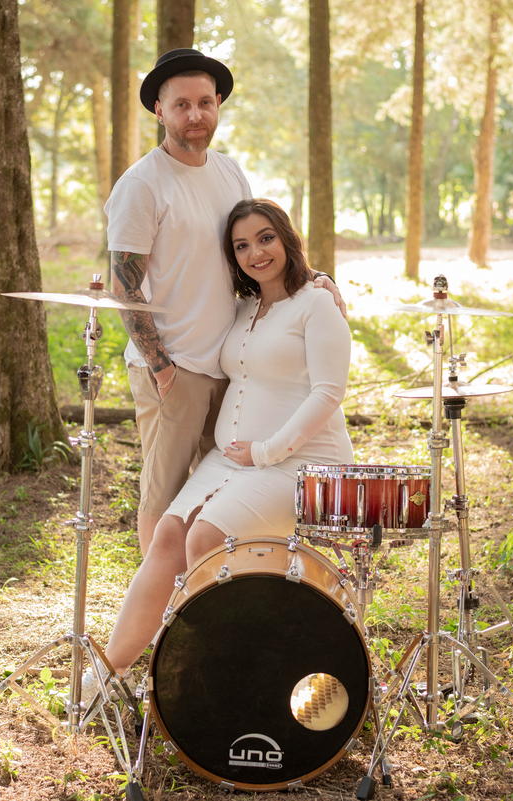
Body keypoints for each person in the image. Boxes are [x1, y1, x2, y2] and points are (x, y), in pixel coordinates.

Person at [105, 48, 344, 565]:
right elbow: (124, 285)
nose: (196, 116)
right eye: (182, 105)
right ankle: (165, 615)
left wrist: (314, 277)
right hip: (176, 367)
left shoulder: (230, 174)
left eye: (205, 103)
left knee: (216, 499)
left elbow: (254, 254)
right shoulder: (142, 185)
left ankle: (216, 597)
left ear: (218, 106)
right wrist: (162, 368)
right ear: (160, 111)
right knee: (164, 497)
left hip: (234, 366)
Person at [103, 199, 353, 673]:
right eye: (241, 245)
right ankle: (108, 671)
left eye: (265, 238)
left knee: (206, 539)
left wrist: (266, 450)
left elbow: (328, 392)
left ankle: (220, 670)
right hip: (233, 457)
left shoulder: (318, 303)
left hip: (300, 463)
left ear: (286, 239)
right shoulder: (243, 309)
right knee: (169, 536)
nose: (256, 252)